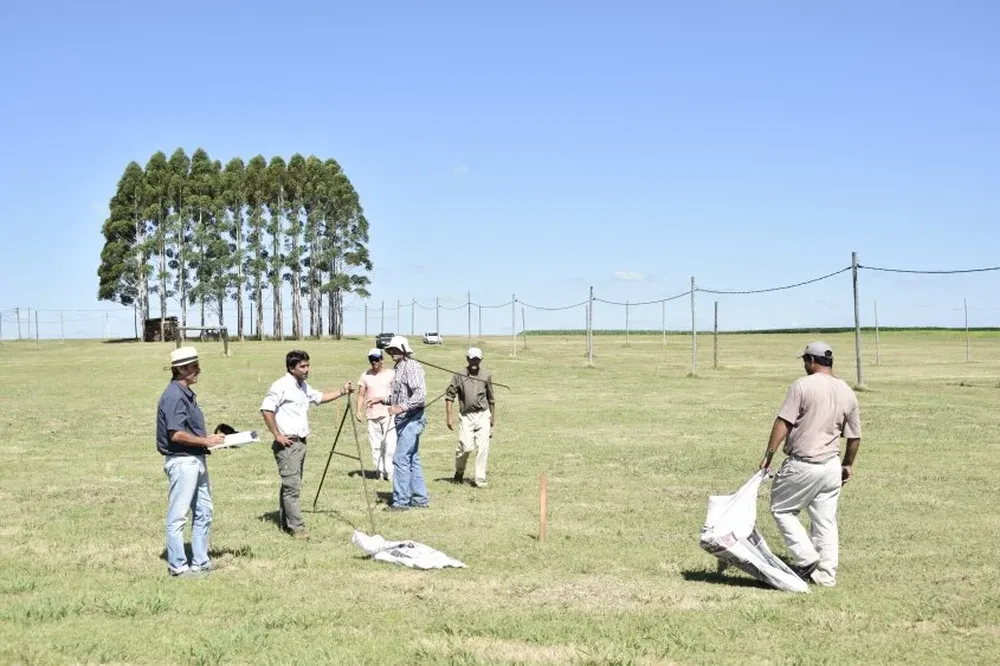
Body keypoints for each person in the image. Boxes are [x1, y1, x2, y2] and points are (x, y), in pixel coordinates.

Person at [759, 341, 862, 587]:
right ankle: (826, 576)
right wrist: (847, 465)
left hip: (803, 463)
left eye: (805, 360)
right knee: (825, 520)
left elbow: (784, 422)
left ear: (811, 360)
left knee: (782, 509)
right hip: (831, 466)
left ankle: (806, 558)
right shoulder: (847, 391)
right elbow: (854, 437)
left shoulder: (802, 386)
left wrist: (769, 455)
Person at [260, 350, 352, 539]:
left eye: (308, 365)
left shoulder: (302, 386)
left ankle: (286, 523)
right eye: (302, 366)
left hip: (300, 443)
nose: (307, 369)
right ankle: (298, 529)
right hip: (287, 444)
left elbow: (319, 397)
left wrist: (342, 392)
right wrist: (277, 435)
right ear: (291, 368)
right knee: (292, 488)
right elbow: (266, 409)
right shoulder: (281, 385)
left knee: (290, 485)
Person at [156, 346, 224, 578]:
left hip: (196, 458)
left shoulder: (185, 393)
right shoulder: (174, 396)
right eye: (194, 366)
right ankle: (178, 567)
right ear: (181, 370)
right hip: (183, 462)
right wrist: (206, 440)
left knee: (204, 511)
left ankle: (201, 562)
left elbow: (186, 429)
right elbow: (175, 434)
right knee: (178, 515)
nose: (198, 370)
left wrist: (211, 440)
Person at [369, 335, 428, 511]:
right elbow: (400, 396)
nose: (391, 352)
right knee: (412, 458)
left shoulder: (412, 366)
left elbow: (420, 396)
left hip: (413, 419)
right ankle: (419, 499)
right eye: (390, 350)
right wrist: (382, 399)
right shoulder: (399, 367)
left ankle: (401, 502)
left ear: (403, 349)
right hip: (404, 420)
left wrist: (400, 408)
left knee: (400, 458)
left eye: (395, 349)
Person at [445, 346, 496, 488]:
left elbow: (491, 398)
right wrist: (449, 417)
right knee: (466, 447)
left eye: (477, 359)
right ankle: (459, 470)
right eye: (472, 359)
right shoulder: (459, 375)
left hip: (483, 414)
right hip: (466, 415)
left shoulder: (486, 375)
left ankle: (480, 478)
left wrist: (492, 417)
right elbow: (450, 396)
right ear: (467, 359)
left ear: (481, 360)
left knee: (483, 446)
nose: (474, 362)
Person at [356, 347, 397, 482]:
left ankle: (389, 473)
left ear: (382, 359)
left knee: (389, 445)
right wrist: (358, 411)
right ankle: (379, 471)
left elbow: (397, 394)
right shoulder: (365, 376)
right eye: (371, 359)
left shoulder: (391, 374)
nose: (374, 362)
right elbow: (361, 395)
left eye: (376, 359)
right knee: (375, 445)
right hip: (372, 415)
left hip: (388, 414)